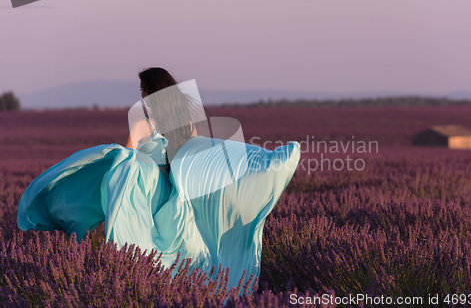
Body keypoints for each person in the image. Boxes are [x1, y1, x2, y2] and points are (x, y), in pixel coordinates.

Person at [17, 67, 301, 290]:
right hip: (172, 193)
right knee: (181, 251)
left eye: (142, 90)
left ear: (150, 92)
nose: (140, 96)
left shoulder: (142, 124)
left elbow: (124, 160)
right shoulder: (184, 124)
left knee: (141, 232)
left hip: (147, 192)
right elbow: (195, 156)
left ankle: (134, 281)